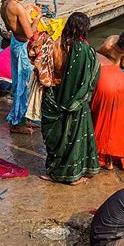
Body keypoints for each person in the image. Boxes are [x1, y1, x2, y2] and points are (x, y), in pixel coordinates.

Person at [40, 12, 100, 185]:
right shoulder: (86, 51)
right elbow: (92, 76)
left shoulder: (54, 44)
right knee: (75, 135)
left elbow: (42, 70)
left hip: (55, 95)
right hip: (76, 100)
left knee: (56, 135)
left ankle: (58, 172)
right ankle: (78, 172)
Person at [1, 0, 42, 134]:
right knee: (23, 85)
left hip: (14, 43)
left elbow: (13, 24)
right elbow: (30, 33)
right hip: (22, 46)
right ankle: (17, 123)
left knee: (19, 82)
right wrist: (37, 18)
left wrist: (26, 11)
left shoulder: (6, 4)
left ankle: (22, 117)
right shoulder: (17, 7)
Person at [90, 54, 124, 170]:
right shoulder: (97, 52)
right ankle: (110, 160)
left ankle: (101, 158)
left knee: (99, 119)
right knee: (114, 121)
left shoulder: (76, 53)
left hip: (104, 78)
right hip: (119, 76)